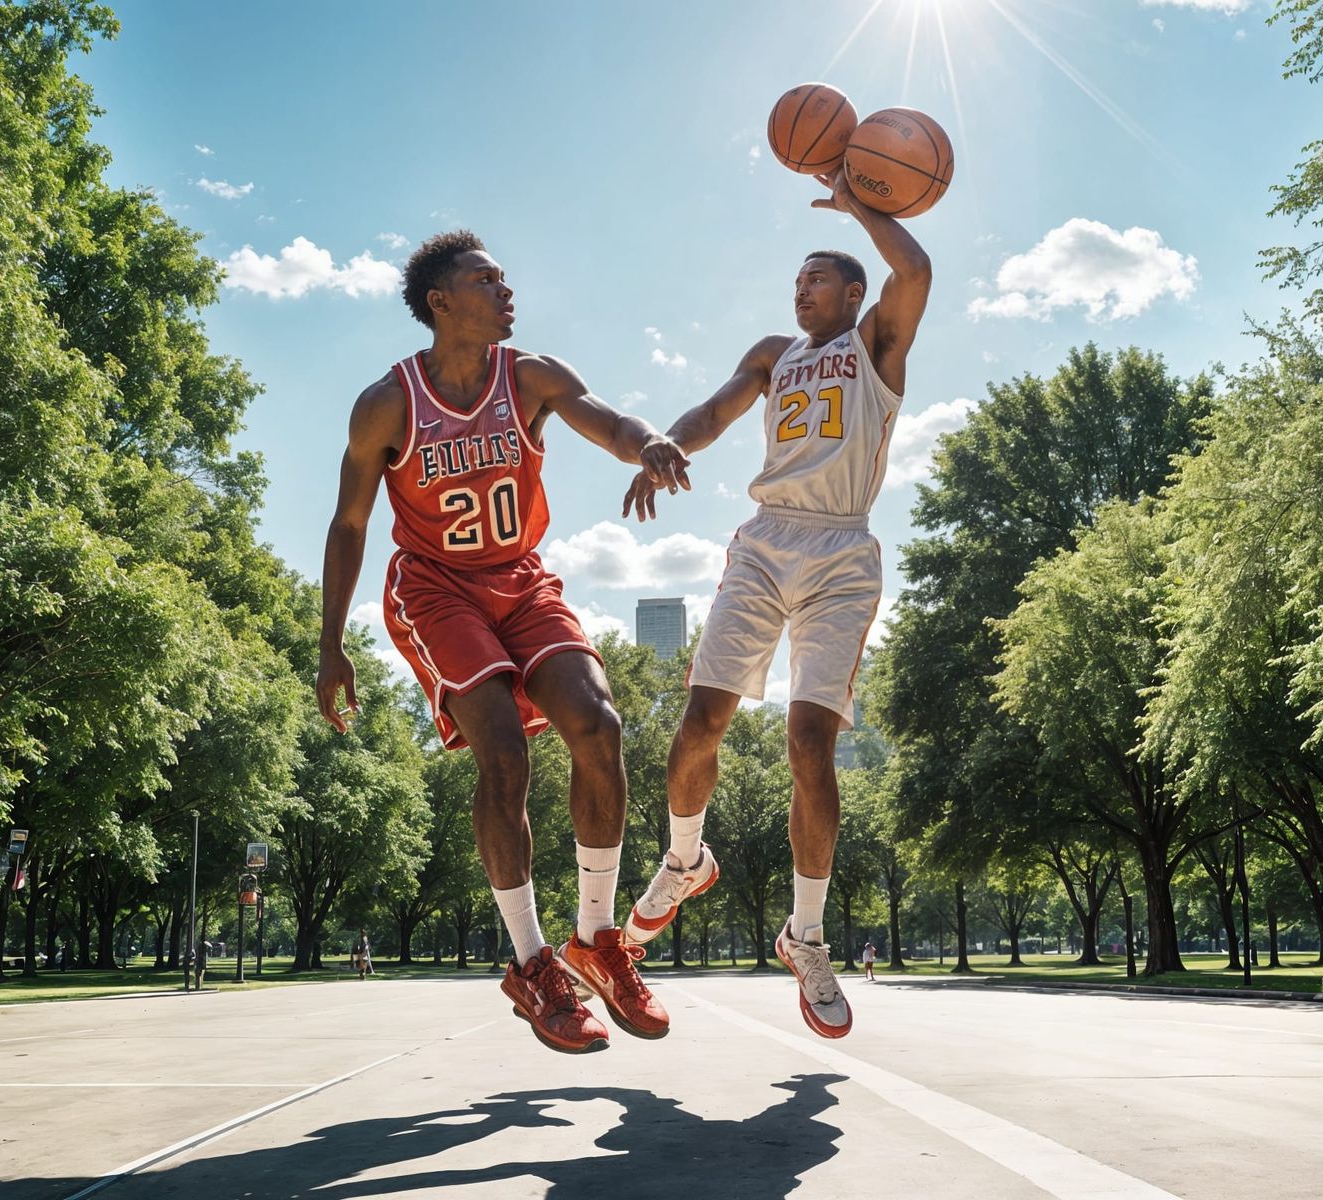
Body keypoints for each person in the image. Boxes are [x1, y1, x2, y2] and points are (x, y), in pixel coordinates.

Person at [316, 229, 688, 1054]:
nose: (505, 289)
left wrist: (648, 442)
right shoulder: (387, 403)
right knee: (505, 755)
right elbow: (349, 524)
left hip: (520, 578)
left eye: (504, 277)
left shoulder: (529, 376)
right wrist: (330, 643)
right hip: (436, 587)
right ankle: (531, 963)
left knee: (599, 725)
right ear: (441, 302)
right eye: (486, 278)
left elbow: (610, 420)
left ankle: (596, 939)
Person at [620, 170, 932, 1040]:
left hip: (840, 549)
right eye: (796, 278)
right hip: (765, 540)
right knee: (699, 723)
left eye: (817, 277)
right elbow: (716, 411)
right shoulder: (772, 354)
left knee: (808, 742)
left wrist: (863, 207)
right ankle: (685, 863)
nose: (801, 288)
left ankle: (806, 933)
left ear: (853, 291)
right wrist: (665, 444)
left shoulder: (876, 346)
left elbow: (918, 274)